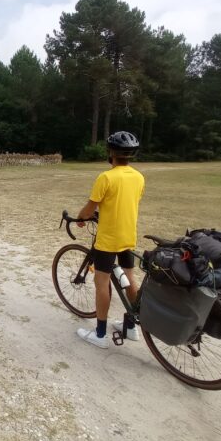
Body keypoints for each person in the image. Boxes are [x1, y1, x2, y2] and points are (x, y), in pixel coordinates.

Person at [76, 131, 145, 348]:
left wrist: (80, 218)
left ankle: (100, 334)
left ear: (110, 153)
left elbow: (90, 207)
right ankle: (132, 328)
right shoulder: (139, 177)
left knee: (101, 285)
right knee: (130, 279)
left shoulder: (106, 177)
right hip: (128, 235)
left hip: (108, 239)